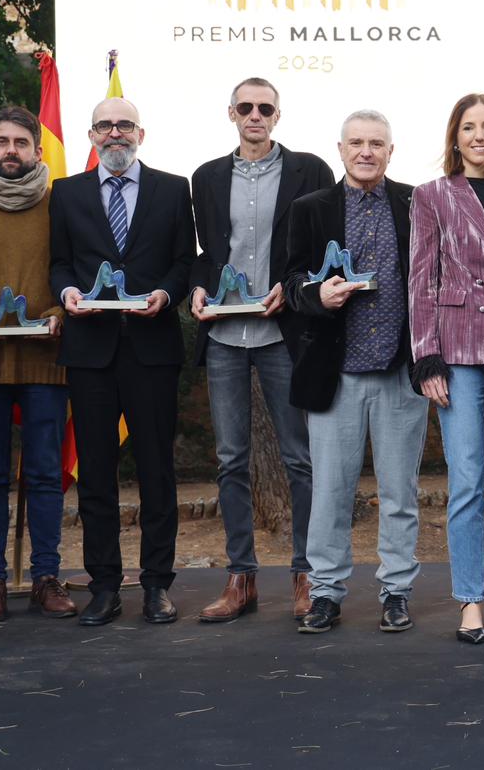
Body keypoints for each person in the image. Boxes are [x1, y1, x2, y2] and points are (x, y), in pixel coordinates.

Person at [189, 77, 334, 624]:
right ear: (231, 113)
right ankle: (240, 578)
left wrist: (292, 287)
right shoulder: (206, 177)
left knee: (300, 458)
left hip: (281, 333)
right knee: (230, 460)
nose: (255, 115)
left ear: (278, 115)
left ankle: (306, 574)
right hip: (225, 336)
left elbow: (319, 250)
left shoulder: (310, 171)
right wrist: (198, 288)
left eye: (264, 108)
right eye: (245, 107)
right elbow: (207, 253)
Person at [50, 97, 196, 626]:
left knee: (157, 471)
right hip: (90, 350)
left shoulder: (173, 189)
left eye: (125, 124)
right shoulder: (65, 194)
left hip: (152, 348)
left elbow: (185, 260)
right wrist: (66, 290)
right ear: (91, 136)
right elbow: (59, 261)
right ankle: (105, 587)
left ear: (141, 132)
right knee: (95, 475)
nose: (116, 133)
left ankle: (157, 585)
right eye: (105, 126)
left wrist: (166, 292)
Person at [285, 110, 429, 636]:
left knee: (399, 492)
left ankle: (395, 591)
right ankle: (325, 593)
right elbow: (293, 277)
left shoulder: (417, 204)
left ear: (391, 151)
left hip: (399, 373)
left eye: (376, 144)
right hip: (335, 374)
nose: (366, 152)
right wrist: (315, 295)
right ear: (340, 150)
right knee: (330, 492)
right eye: (356, 144)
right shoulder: (311, 208)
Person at [408, 93, 484, 644]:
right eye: (468, 127)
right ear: (454, 137)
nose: (478, 136)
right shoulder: (431, 195)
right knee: (465, 483)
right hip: (455, 353)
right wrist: (425, 356)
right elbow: (420, 278)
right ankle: (468, 600)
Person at [0, 106, 76, 625]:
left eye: (21, 143)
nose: (11, 150)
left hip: (45, 360)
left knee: (46, 475)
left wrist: (56, 315)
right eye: (2, 141)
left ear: (35, 150)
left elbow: (74, 272)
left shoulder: (61, 208)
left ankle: (47, 576)